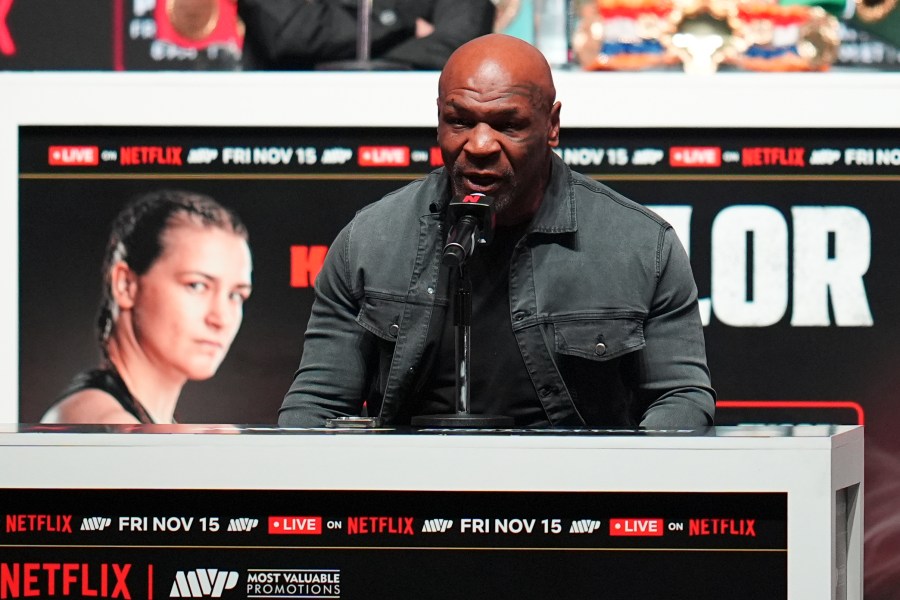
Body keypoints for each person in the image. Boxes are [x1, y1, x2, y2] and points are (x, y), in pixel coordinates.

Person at [279, 33, 715, 429]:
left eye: (509, 125)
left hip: (577, 493)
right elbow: (314, 406)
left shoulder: (642, 245)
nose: (480, 145)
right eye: (460, 121)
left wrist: (620, 482)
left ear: (552, 125)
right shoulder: (369, 242)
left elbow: (682, 399)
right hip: (413, 495)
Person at [41, 190, 253, 425]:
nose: (221, 318)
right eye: (197, 285)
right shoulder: (101, 423)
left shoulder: (139, 426)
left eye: (235, 295)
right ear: (126, 285)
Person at [237, 0, 496, 70]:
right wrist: (403, 28)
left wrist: (363, 53)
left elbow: (461, 51)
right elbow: (289, 33)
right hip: (284, 128)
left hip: (411, 131)